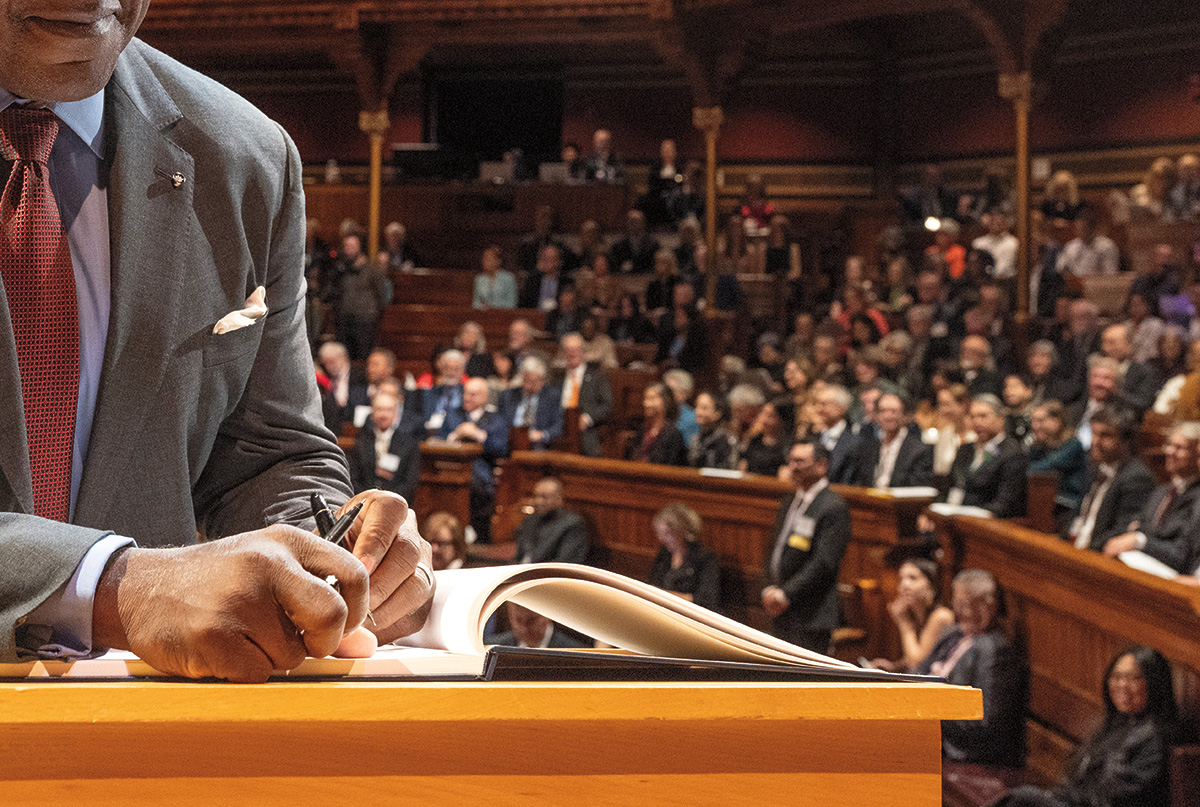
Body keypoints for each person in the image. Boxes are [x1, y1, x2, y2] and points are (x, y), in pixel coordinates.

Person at [0, 11, 431, 678]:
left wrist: (331, 551)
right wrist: (111, 587)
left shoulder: (247, 155)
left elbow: (265, 454)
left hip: (144, 719)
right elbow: (129, 585)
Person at [992, 646, 1180, 807]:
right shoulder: (1116, 725)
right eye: (1116, 677)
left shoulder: (1156, 738)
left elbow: (1119, 797)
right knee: (1020, 798)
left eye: (1134, 678)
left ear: (1154, 683)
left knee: (1022, 798)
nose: (1122, 685)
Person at [915, 569, 1026, 767]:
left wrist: (931, 711)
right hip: (924, 728)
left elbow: (985, 721)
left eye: (967, 605)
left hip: (958, 750)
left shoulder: (995, 651)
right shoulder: (954, 634)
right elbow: (918, 673)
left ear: (989, 607)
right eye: (957, 603)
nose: (959, 612)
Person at [762, 440, 851, 652]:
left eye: (800, 461)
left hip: (811, 615)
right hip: (783, 611)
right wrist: (769, 587)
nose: (793, 466)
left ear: (821, 466)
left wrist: (786, 594)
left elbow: (824, 562)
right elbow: (775, 548)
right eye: (791, 461)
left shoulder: (833, 506)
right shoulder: (790, 500)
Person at [1102, 423, 1200, 568]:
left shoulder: (1197, 500)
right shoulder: (1161, 492)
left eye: (1179, 447)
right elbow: (1138, 527)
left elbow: (1181, 555)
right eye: (1169, 445)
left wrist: (1140, 541)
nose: (1169, 451)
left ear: (1197, 455)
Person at [1068, 405, 1156, 551]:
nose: (1095, 442)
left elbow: (1122, 531)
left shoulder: (1137, 478)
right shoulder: (1094, 467)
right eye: (1094, 433)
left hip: (1097, 555)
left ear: (1126, 441)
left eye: (1105, 436)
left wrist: (1085, 551)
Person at [438, 378, 508, 544]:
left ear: (485, 397)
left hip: (481, 469)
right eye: (466, 393)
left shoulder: (495, 419)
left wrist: (478, 435)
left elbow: (500, 448)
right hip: (450, 466)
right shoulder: (453, 414)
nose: (467, 398)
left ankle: (474, 532)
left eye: (473, 394)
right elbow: (438, 440)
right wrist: (456, 435)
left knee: (475, 481)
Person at [945, 395, 1028, 518]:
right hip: (957, 515)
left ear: (1001, 419)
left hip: (990, 521)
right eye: (972, 417)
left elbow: (1004, 504)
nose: (977, 422)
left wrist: (968, 516)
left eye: (983, 416)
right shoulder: (965, 449)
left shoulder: (1012, 453)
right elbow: (951, 486)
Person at [870, 559, 954, 673]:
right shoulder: (915, 616)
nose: (904, 585)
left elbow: (917, 664)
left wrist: (904, 623)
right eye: (901, 579)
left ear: (931, 586)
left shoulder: (941, 616)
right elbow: (919, 655)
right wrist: (894, 666)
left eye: (913, 578)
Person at [1027, 401, 1088, 534]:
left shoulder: (1073, 445)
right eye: (1033, 421)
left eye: (1041, 421)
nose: (1035, 426)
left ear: (1057, 421)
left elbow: (1045, 467)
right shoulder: (1038, 446)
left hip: (1067, 504)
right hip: (1045, 502)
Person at [348, 391, 421, 502]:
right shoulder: (360, 442)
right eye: (379, 409)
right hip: (364, 504)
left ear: (396, 414)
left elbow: (410, 482)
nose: (383, 415)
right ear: (372, 413)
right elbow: (353, 479)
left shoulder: (409, 444)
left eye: (388, 410)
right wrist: (369, 500)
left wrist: (387, 502)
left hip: (397, 505)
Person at [852, 392, 934, 489]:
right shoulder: (867, 448)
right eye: (882, 411)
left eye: (893, 411)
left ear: (904, 415)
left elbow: (917, 488)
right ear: (876, 416)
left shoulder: (920, 450)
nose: (888, 416)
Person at [649, 503, 720, 612]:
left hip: (690, 615)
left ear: (683, 531)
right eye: (660, 533)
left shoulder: (705, 558)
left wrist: (664, 596)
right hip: (663, 612)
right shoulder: (664, 553)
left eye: (667, 533)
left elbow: (706, 600)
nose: (661, 539)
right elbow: (652, 585)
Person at [558, 332, 613, 457]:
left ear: (582, 351)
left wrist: (587, 418)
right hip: (559, 430)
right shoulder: (557, 378)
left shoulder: (597, 377)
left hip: (585, 431)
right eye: (568, 350)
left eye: (575, 349)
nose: (572, 353)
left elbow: (607, 406)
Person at [512, 478, 589, 564]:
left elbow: (566, 562)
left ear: (559, 498)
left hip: (548, 571)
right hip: (521, 569)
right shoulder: (530, 520)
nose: (538, 501)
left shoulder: (572, 524)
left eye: (544, 497)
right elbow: (521, 554)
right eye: (535, 496)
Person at [498, 356, 564, 451]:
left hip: (538, 446)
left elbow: (559, 425)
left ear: (542, 380)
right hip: (510, 444)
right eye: (526, 381)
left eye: (534, 381)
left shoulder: (552, 396)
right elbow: (499, 422)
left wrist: (542, 434)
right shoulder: (508, 396)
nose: (529, 386)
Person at [628, 383, 688, 466]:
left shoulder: (673, 434)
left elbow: (668, 465)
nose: (646, 404)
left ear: (666, 402)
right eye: (645, 399)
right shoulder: (642, 430)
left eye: (652, 399)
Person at [487, 602, 587, 649]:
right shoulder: (490, 647)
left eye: (531, 621)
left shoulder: (575, 652)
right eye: (519, 620)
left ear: (549, 614)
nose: (524, 629)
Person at [688, 392, 738, 470]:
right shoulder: (695, 437)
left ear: (717, 413)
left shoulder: (728, 440)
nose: (698, 412)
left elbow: (730, 469)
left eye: (704, 408)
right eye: (697, 407)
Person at [472, 245, 518, 309]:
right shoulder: (479, 279)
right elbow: (475, 302)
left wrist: (492, 306)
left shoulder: (509, 278)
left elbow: (512, 303)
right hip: (483, 313)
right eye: (484, 259)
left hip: (503, 313)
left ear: (498, 261)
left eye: (488, 259)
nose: (484, 262)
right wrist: (481, 307)